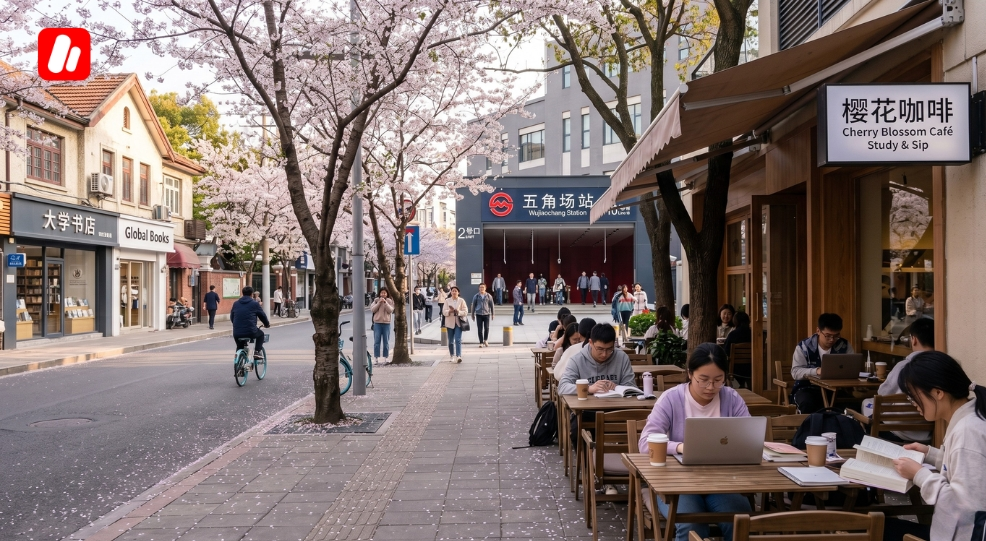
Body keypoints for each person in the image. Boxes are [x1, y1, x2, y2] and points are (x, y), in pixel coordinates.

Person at [638, 343, 753, 541]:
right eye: (703, 380)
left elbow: (750, 438)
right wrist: (680, 447)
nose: (711, 387)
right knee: (690, 523)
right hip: (677, 485)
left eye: (718, 380)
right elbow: (645, 444)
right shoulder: (671, 399)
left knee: (739, 519)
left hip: (721, 483)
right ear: (690, 374)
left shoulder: (732, 398)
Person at [884, 351, 986, 541]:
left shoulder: (968, 431)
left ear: (938, 392)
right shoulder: (969, 417)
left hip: (962, 534)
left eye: (914, 396)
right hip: (953, 532)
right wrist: (931, 455)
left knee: (874, 528)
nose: (914, 403)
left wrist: (919, 475)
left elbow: (963, 507)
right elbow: (965, 469)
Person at [559, 324, 636, 447]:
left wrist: (616, 387)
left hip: (618, 409)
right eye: (600, 349)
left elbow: (631, 386)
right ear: (590, 342)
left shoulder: (622, 357)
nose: (604, 354)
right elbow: (562, 387)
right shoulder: (577, 360)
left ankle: (625, 460)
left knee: (638, 426)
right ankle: (588, 464)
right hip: (588, 411)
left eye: (609, 349)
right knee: (577, 431)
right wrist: (588, 389)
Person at [874, 317, 934, 443]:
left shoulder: (904, 366)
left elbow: (882, 395)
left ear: (914, 339)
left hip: (897, 432)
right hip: (929, 434)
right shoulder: (941, 364)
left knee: (866, 405)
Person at [791, 313, 854, 413]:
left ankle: (838, 428)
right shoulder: (804, 347)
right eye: (828, 336)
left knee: (853, 406)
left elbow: (852, 367)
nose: (832, 340)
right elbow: (795, 372)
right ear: (818, 331)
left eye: (836, 336)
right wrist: (817, 371)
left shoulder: (844, 346)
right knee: (807, 404)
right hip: (807, 388)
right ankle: (810, 428)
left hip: (835, 389)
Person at [230, 286, 271, 361]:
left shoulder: (236, 304)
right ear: (252, 294)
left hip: (236, 332)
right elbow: (262, 315)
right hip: (251, 331)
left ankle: (238, 364)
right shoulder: (254, 304)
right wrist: (266, 324)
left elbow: (232, 317)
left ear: (242, 293)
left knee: (240, 346)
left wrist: (236, 325)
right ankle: (257, 352)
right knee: (261, 334)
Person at [722, 311, 752, 386]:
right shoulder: (754, 334)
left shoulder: (733, 334)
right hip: (752, 367)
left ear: (735, 321)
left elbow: (726, 351)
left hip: (735, 368)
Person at [443, 286, 468, 363]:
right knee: (450, 341)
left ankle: (458, 356)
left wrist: (458, 312)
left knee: (458, 340)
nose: (454, 292)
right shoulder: (447, 301)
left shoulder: (461, 300)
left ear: (458, 292)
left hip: (458, 323)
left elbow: (465, 311)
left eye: (455, 291)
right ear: (451, 292)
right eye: (452, 291)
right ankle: (451, 355)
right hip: (450, 323)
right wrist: (449, 311)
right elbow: (444, 312)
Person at [370, 288, 394, 364]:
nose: (383, 294)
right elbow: (373, 309)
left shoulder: (390, 301)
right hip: (377, 323)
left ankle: (386, 357)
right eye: (382, 293)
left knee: (386, 341)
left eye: (385, 293)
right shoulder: (376, 300)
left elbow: (390, 310)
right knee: (377, 341)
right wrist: (379, 303)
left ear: (387, 294)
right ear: (379, 293)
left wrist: (385, 303)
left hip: (386, 323)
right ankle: (376, 358)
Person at [471, 283, 495, 348]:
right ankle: (481, 342)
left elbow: (492, 305)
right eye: (480, 287)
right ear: (479, 288)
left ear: (485, 288)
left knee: (486, 328)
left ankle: (485, 340)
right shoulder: (476, 296)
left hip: (486, 314)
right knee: (479, 329)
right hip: (478, 314)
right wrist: (472, 314)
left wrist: (493, 314)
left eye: (483, 287)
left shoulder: (488, 296)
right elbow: (473, 306)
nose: (482, 289)